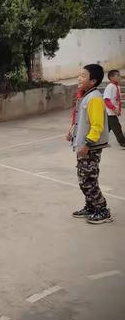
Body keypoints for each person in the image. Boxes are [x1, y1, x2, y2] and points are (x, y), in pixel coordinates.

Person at [71, 64, 112, 224]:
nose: (79, 78)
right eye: (79, 75)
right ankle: (90, 206)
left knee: (87, 179)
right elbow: (83, 120)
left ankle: (102, 210)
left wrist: (87, 144)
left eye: (83, 76)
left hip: (90, 148)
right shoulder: (86, 96)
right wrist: (72, 131)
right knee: (84, 178)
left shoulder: (94, 98)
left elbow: (97, 126)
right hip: (85, 146)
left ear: (93, 81)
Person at [103, 69, 125, 149]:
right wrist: (114, 109)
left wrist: (118, 109)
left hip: (112, 112)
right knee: (117, 127)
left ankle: (99, 141)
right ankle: (123, 142)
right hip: (109, 112)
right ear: (111, 77)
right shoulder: (110, 87)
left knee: (107, 128)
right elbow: (106, 100)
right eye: (118, 75)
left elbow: (116, 98)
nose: (120, 77)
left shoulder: (117, 86)